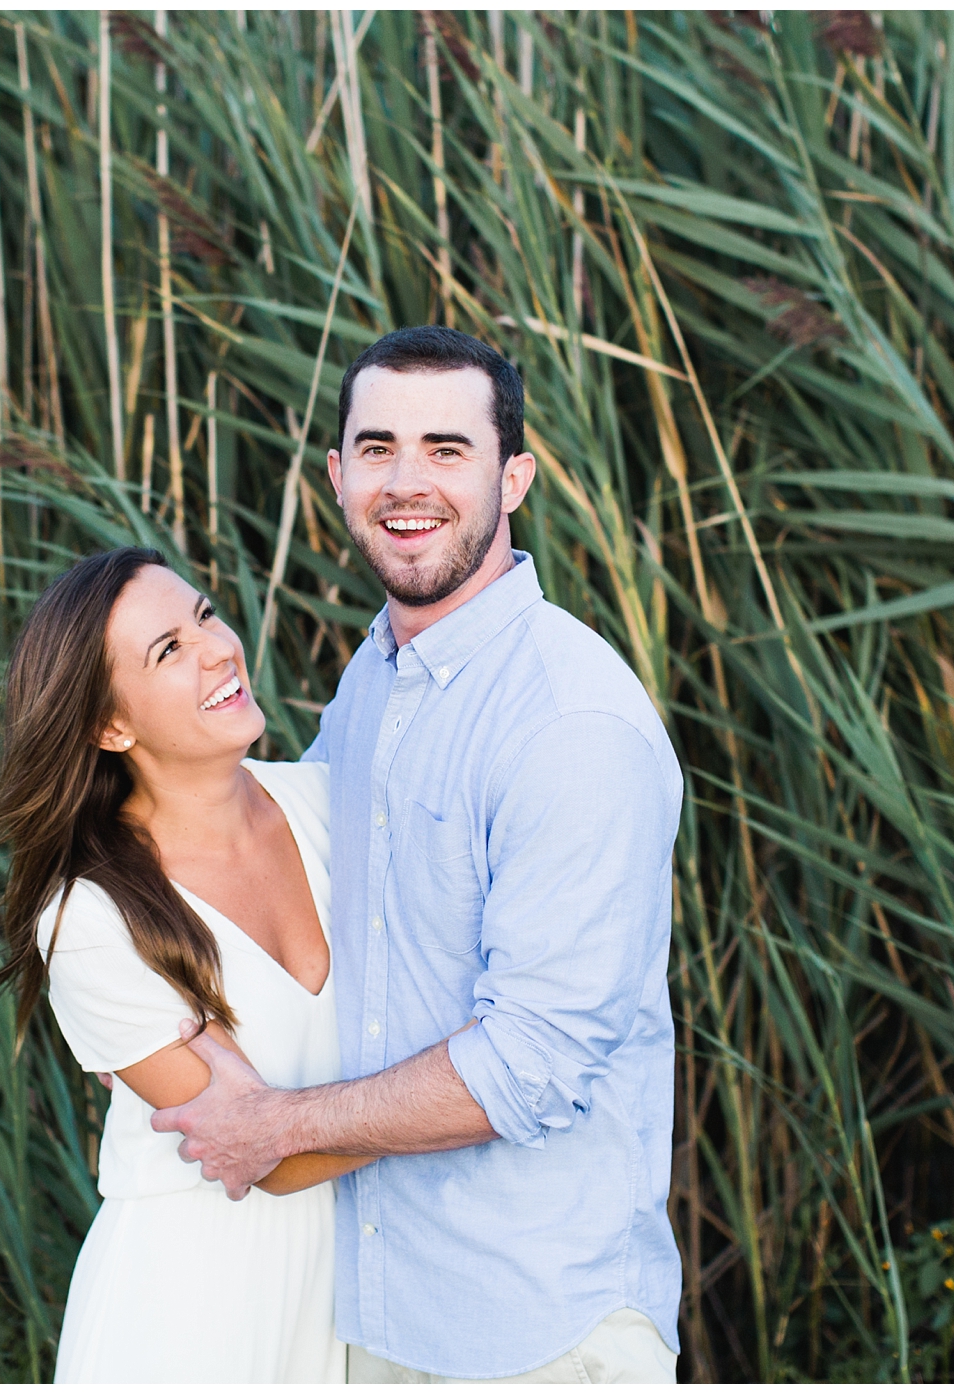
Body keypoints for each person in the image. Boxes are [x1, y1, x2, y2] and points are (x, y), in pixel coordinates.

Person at [150, 326, 687, 1383]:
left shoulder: (571, 722)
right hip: (373, 1318)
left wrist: (277, 1126)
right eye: (379, 447)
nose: (409, 482)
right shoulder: (377, 681)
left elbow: (531, 1062)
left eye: (448, 447)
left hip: (540, 1329)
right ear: (338, 474)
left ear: (514, 476)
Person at [0, 546, 363, 1383]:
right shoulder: (90, 918)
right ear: (110, 726)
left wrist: (413, 1099)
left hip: (345, 1307)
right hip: (187, 1314)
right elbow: (270, 1159)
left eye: (205, 616)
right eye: (169, 652)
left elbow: (281, 1125)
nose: (219, 648)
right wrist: (464, 1102)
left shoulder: (330, 805)